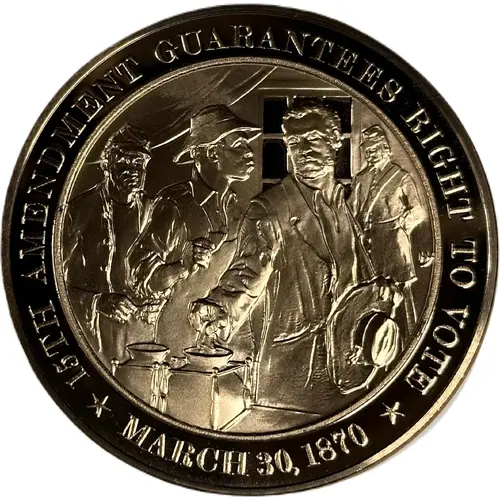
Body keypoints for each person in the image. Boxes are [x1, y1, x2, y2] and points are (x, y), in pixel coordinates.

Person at [189, 99, 374, 416]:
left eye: (313, 138)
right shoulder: (269, 208)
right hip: (294, 371)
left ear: (334, 141)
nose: (304, 150)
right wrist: (219, 307)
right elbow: (247, 272)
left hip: (350, 366)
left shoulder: (347, 206)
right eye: (295, 141)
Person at [128, 105, 260, 357]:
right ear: (213, 153)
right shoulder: (175, 204)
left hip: (223, 335)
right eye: (239, 145)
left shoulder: (236, 207)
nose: (249, 152)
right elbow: (140, 275)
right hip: (178, 339)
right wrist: (182, 265)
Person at [64, 124, 158, 367]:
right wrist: (98, 302)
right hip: (93, 335)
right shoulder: (77, 211)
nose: (133, 170)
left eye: (139, 163)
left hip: (144, 331)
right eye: (125, 162)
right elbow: (50, 280)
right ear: (107, 165)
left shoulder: (155, 211)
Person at [349, 124, 425, 335]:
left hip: (394, 243)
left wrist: (400, 226)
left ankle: (408, 336)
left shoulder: (401, 177)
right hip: (369, 244)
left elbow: (418, 211)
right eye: (367, 150)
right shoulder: (361, 178)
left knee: (400, 295)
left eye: (374, 149)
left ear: (384, 148)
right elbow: (352, 210)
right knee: (370, 293)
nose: (370, 154)